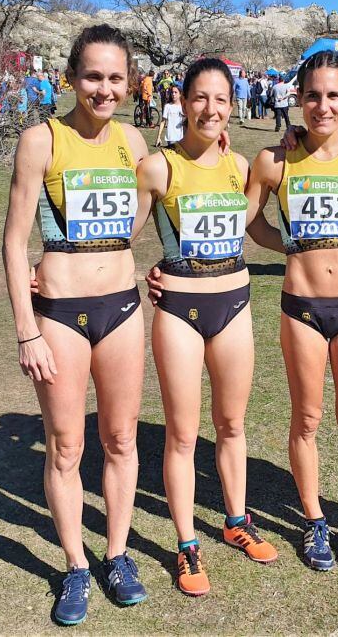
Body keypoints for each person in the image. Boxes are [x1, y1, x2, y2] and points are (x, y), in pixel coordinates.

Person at [2, 24, 150, 624]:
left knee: (120, 440)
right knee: (66, 447)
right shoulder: (42, 139)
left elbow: (153, 209)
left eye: (115, 77)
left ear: (129, 83)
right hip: (59, 316)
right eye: (93, 76)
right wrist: (26, 329)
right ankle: (77, 565)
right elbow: (14, 242)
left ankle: (117, 554)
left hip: (122, 309)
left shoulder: (135, 141)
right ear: (71, 77)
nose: (104, 88)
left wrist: (166, 267)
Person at [240, 51, 338, 573]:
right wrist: (288, 245)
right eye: (313, 95)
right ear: (298, 98)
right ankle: (313, 520)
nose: (323, 106)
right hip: (301, 307)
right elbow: (245, 222)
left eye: (333, 95)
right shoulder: (274, 160)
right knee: (306, 419)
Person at [134, 59, 278, 597]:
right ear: (183, 101)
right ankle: (187, 545)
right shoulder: (157, 168)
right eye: (200, 98)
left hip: (233, 307)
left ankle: (237, 521)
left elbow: (254, 223)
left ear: (232, 105)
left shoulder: (240, 167)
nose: (210, 109)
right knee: (181, 432)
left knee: (233, 424)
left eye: (220, 99)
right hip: (179, 314)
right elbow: (118, 236)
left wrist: (308, 250)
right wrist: (62, 269)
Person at [155, 83, 185, 148]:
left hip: (182, 139)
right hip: (171, 138)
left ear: (180, 94)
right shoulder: (168, 106)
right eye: (172, 92)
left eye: (175, 92)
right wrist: (158, 137)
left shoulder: (183, 107)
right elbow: (163, 122)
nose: (173, 94)